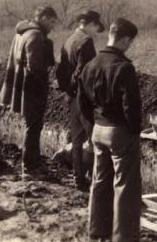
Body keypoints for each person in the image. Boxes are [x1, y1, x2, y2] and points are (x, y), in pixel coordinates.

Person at [77, 18, 142, 241]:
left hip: (97, 130)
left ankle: (97, 230)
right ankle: (124, 237)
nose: (129, 46)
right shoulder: (124, 67)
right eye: (129, 42)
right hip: (119, 132)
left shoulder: (90, 65)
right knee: (125, 186)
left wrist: (91, 127)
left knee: (100, 181)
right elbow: (131, 107)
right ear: (124, 39)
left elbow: (82, 103)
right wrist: (135, 131)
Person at [0, 6, 59, 173]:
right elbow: (35, 66)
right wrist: (48, 81)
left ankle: (32, 160)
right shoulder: (36, 35)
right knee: (33, 126)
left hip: (23, 86)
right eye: (52, 22)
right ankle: (30, 165)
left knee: (31, 125)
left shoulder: (23, 32)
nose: (53, 26)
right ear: (44, 18)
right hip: (32, 88)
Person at [56, 10, 104, 190]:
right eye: (95, 28)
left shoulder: (68, 40)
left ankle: (78, 178)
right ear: (90, 25)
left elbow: (61, 71)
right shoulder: (86, 42)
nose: (95, 33)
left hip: (72, 98)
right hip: (84, 98)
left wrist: (68, 91)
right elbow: (85, 71)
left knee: (76, 141)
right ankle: (95, 181)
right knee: (95, 140)